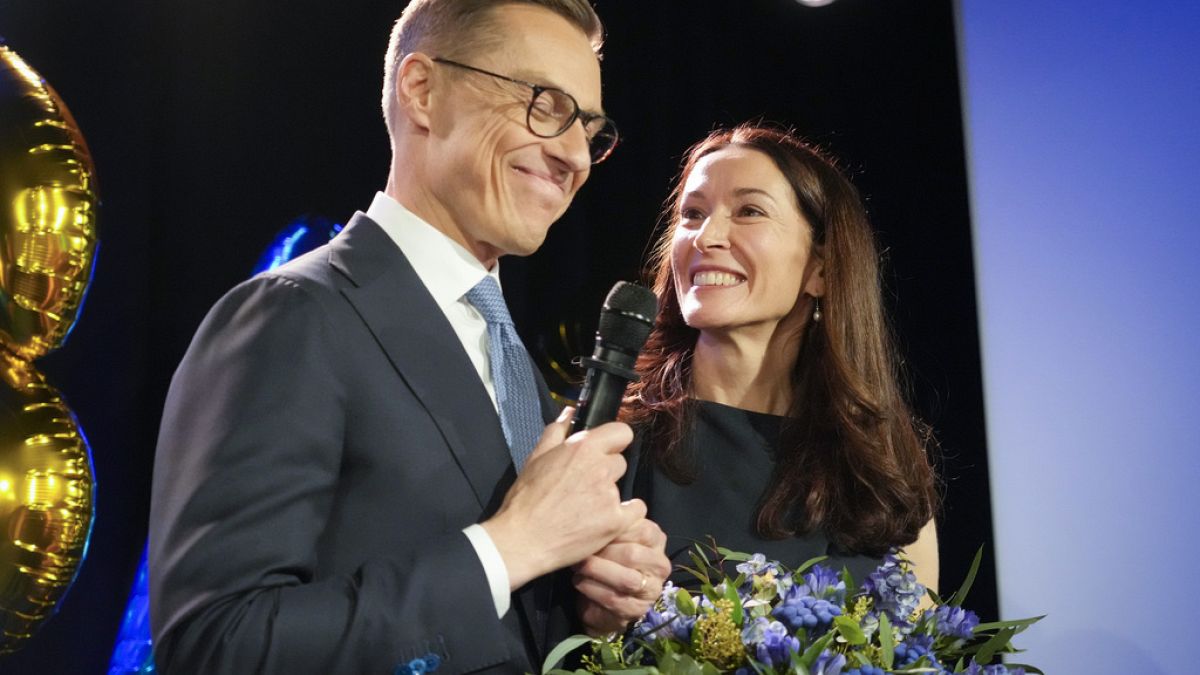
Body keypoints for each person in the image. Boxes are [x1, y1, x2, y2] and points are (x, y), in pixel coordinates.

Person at [148, 2, 670, 673]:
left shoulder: (517, 367)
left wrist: (591, 599)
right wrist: (509, 546)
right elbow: (216, 645)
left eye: (591, 131)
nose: (574, 155)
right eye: (546, 105)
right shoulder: (294, 318)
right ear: (422, 90)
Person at [620, 123, 939, 591]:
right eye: (692, 214)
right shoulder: (613, 439)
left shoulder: (878, 464)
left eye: (749, 211)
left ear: (821, 270)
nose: (706, 237)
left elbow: (920, 649)